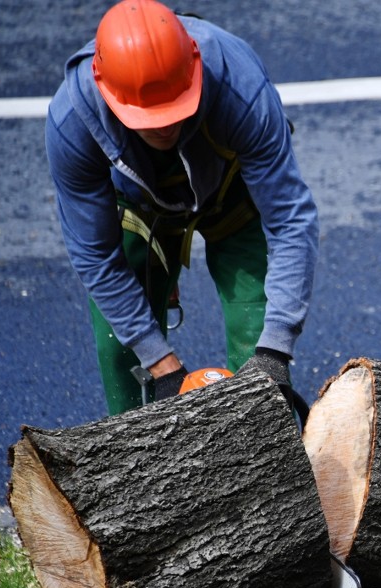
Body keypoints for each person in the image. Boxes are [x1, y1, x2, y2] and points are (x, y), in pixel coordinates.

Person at [45, 0, 319, 414]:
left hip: (233, 195)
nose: (163, 126)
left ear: (193, 69)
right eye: (147, 119)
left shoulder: (239, 86)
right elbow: (97, 255)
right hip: (138, 210)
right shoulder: (72, 123)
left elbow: (290, 219)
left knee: (258, 341)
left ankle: (265, 460)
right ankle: (136, 465)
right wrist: (160, 363)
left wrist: (275, 350)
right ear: (107, 93)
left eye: (172, 111)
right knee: (123, 352)